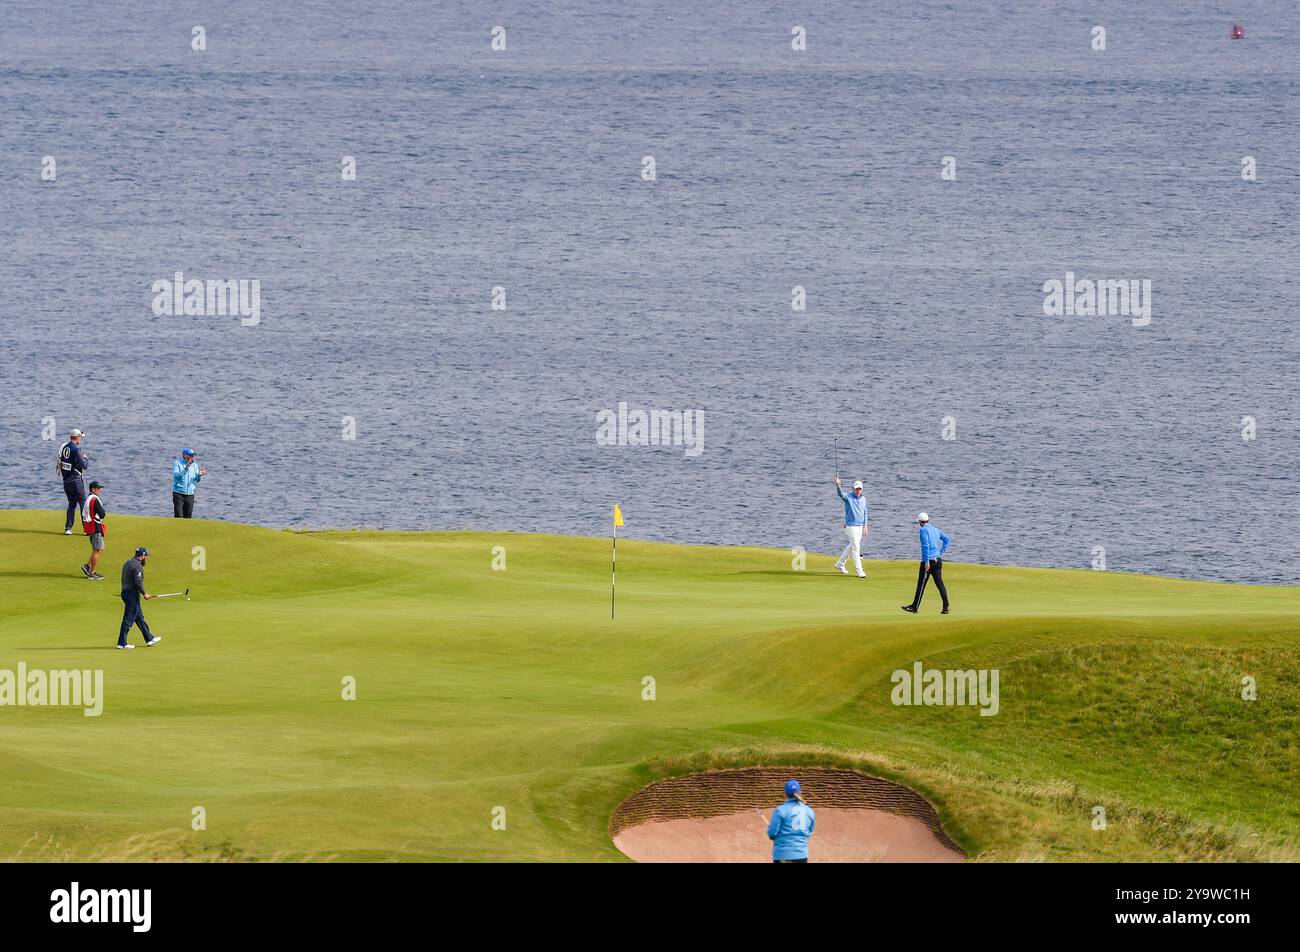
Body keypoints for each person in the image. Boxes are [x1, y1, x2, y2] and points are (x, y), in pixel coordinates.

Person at [902, 512, 951, 615]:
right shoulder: (935, 529)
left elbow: (925, 546)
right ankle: (946, 607)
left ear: (920, 522)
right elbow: (947, 539)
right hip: (938, 560)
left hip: (929, 561)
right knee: (940, 584)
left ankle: (914, 607)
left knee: (921, 585)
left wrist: (927, 561)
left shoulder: (923, 530)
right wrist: (940, 553)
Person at [118, 547, 162, 649]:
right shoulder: (138, 565)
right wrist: (144, 593)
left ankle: (149, 638)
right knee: (128, 619)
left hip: (125, 592)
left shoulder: (127, 563)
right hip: (132, 594)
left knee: (139, 617)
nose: (146, 557)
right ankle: (122, 643)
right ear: (142, 556)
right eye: (145, 556)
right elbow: (138, 581)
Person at [767, 779, 815, 863]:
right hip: (802, 856)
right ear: (800, 791)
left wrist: (771, 831)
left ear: (786, 793)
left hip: (782, 855)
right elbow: (809, 832)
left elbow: (772, 834)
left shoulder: (780, 810)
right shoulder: (809, 811)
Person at [833, 476, 869, 578]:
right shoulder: (848, 497)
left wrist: (865, 526)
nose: (858, 491)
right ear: (853, 489)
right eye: (856, 489)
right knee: (856, 548)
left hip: (860, 527)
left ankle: (840, 564)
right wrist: (838, 485)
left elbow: (865, 512)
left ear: (862, 489)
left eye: (859, 489)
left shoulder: (863, 499)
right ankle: (860, 571)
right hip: (850, 527)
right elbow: (840, 494)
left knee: (852, 546)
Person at [56, 428, 90, 534]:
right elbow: (84, 466)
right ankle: (86, 529)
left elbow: (61, 461)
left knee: (71, 504)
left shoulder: (64, 448)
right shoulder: (76, 450)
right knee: (83, 503)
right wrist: (86, 458)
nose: (80, 439)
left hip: (66, 481)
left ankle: (68, 528)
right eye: (80, 437)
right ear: (76, 437)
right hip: (76, 480)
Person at [81, 481, 107, 580]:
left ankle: (87, 566)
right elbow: (102, 514)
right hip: (95, 527)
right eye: (98, 488)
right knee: (97, 550)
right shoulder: (94, 500)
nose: (100, 490)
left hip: (90, 526)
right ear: (93, 489)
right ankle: (92, 573)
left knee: (101, 548)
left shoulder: (89, 498)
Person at [171, 448, 206, 518]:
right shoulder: (178, 463)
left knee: (188, 517)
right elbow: (176, 476)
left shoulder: (195, 465)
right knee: (179, 516)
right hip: (179, 494)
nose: (191, 457)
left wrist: (200, 475)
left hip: (190, 495)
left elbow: (197, 480)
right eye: (189, 455)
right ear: (184, 455)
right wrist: (185, 469)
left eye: (192, 455)